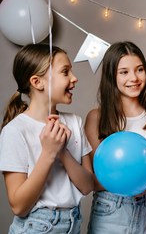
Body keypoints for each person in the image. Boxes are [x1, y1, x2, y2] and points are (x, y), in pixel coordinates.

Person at [0, 44, 94, 233]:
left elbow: (87, 186)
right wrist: (49, 153)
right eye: (65, 72)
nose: (74, 78)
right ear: (37, 82)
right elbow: (19, 206)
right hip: (36, 226)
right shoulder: (15, 130)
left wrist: (63, 153)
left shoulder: (75, 122)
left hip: (73, 223)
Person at [85, 41, 146, 234]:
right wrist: (129, 183)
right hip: (110, 210)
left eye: (139, 70)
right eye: (124, 72)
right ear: (111, 76)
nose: (134, 78)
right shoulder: (97, 118)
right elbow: (93, 180)